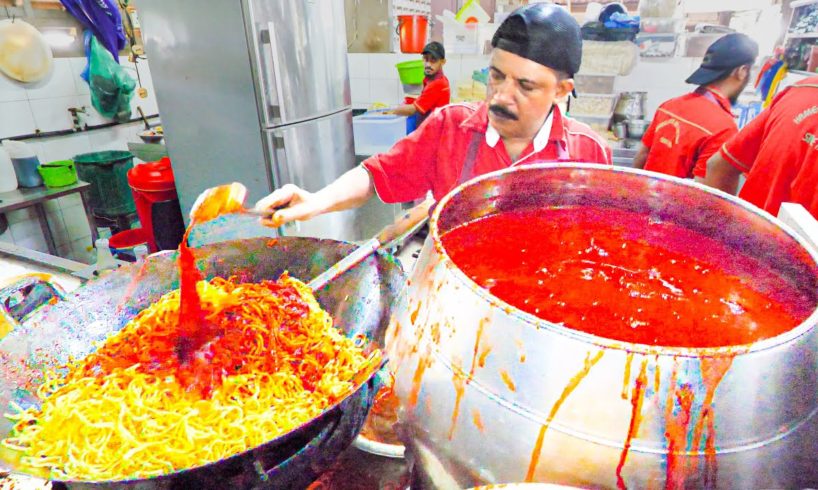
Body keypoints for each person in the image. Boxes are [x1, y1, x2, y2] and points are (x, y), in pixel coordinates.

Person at [254, 3, 611, 226]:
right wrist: (317, 201)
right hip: (451, 302)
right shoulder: (451, 127)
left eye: (525, 86)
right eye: (497, 76)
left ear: (561, 91)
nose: (501, 96)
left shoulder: (589, 154)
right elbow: (377, 175)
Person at [632, 33, 758, 179]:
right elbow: (704, 192)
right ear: (742, 71)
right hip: (678, 202)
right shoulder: (723, 128)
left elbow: (641, 156)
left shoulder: (669, 106)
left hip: (644, 198)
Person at [699, 75, 818, 218]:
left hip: (747, 234)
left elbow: (717, 167)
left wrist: (718, 232)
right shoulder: (802, 90)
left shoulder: (801, 90)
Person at [390, 41, 450, 124]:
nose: (428, 64)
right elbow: (425, 100)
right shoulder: (431, 79)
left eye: (433, 60)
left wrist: (390, 112)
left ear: (442, 62)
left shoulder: (437, 84)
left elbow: (412, 110)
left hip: (433, 130)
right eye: (426, 59)